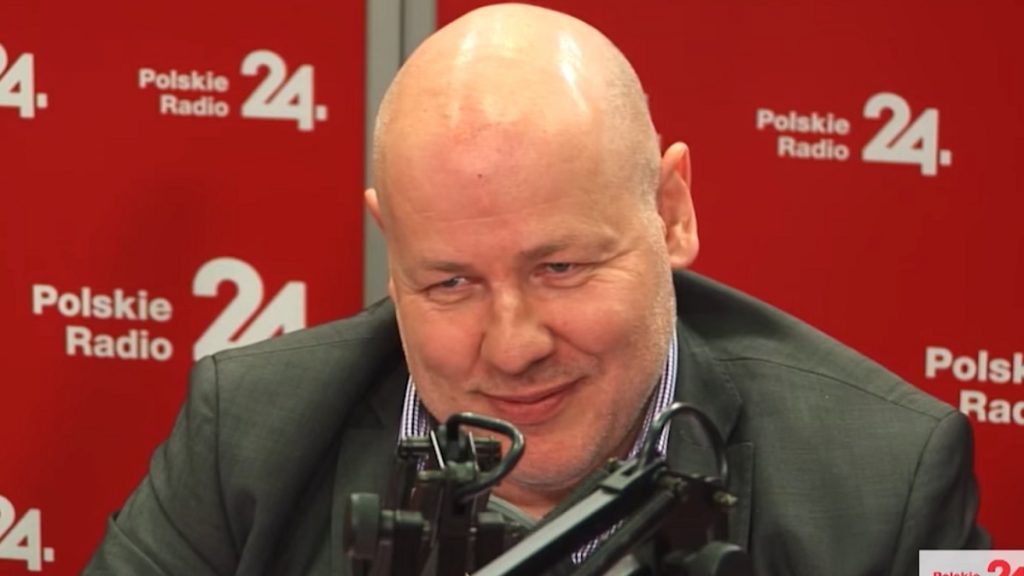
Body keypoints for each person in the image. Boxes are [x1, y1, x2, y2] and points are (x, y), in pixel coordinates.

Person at [85, 3, 988, 575]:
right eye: (450, 282)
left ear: (671, 212)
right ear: (392, 252)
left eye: (560, 269)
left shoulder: (890, 477)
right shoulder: (246, 433)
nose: (513, 346)